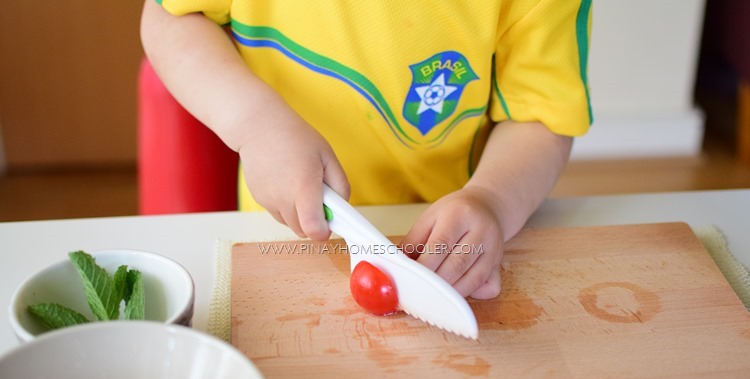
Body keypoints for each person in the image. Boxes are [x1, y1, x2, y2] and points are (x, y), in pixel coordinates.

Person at [140, 0, 593, 300]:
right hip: (281, 231)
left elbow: (540, 118)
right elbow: (168, 17)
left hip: (450, 242)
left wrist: (493, 199)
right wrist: (254, 124)